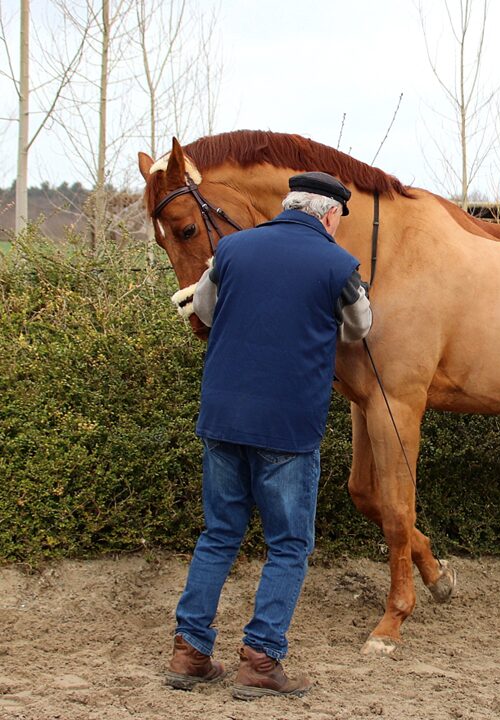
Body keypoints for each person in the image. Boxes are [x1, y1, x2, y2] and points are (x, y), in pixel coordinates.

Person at [164, 172, 372, 700]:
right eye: (337, 222)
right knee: (288, 545)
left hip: (223, 416)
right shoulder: (338, 265)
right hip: (287, 425)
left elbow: (205, 311)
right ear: (329, 216)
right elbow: (358, 328)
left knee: (219, 534)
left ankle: (189, 652)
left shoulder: (231, 249)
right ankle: (260, 661)